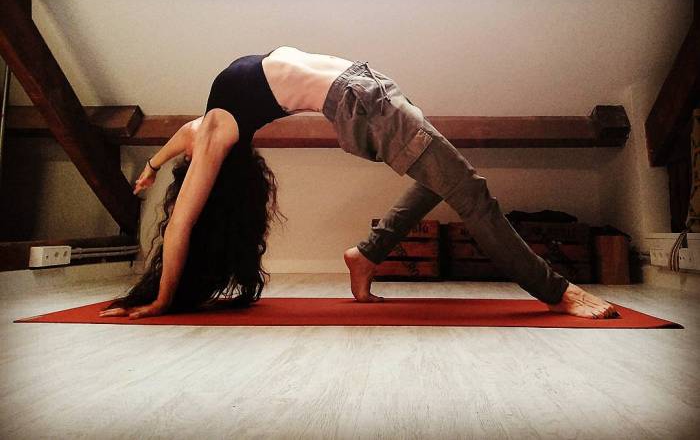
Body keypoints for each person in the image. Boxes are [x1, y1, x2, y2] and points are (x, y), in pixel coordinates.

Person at [99, 46, 618, 320]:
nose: (187, 159)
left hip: (371, 89)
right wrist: (163, 298)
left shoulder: (205, 124)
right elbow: (181, 225)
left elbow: (178, 140)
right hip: (365, 105)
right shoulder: (214, 137)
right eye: (189, 167)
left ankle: (367, 254)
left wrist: (151, 166)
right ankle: (557, 292)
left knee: (445, 181)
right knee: (473, 195)